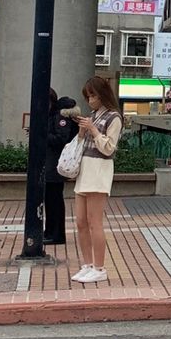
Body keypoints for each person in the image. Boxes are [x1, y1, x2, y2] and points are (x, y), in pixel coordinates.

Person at [70, 77, 123, 284]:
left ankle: (99, 268)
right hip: (85, 170)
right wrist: (82, 132)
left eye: (93, 96)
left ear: (102, 95)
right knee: (81, 221)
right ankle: (88, 265)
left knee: (95, 222)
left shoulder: (114, 117)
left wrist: (93, 130)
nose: (90, 100)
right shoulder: (93, 115)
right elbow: (82, 144)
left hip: (99, 170)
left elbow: (109, 148)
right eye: (88, 97)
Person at [43, 91, 78, 247]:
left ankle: (56, 234)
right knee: (50, 200)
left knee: (54, 200)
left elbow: (61, 138)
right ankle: (50, 232)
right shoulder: (52, 115)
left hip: (56, 164)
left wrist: (42, 135)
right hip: (51, 164)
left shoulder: (59, 117)